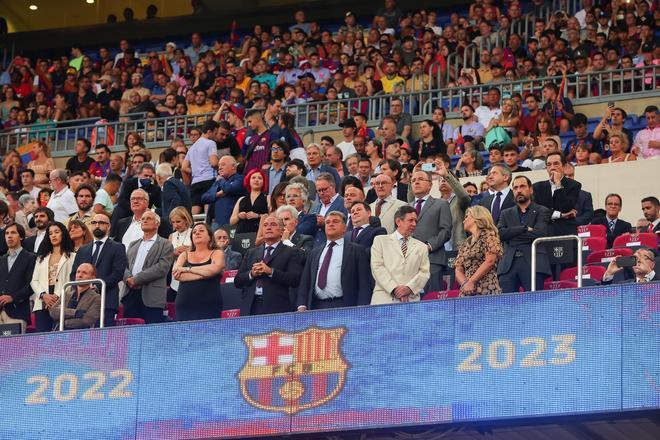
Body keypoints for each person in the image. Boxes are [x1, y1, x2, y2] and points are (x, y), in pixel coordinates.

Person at [297, 211, 371, 310]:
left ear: (345, 228)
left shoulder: (357, 250)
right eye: (327, 222)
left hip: (345, 306)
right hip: (316, 306)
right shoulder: (314, 253)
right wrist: (302, 305)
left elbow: (364, 283)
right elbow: (306, 281)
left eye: (335, 221)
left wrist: (363, 308)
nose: (331, 224)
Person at [234, 215, 302, 315]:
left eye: (273, 224)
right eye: (265, 225)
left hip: (277, 308)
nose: (268, 227)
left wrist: (271, 272)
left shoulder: (291, 252)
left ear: (282, 231)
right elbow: (237, 281)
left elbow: (295, 279)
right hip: (250, 307)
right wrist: (251, 274)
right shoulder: (251, 253)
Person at [71, 213, 127, 327]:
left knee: (103, 339)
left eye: (101, 223)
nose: (97, 225)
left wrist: (97, 285)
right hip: (83, 303)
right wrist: (83, 287)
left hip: (106, 301)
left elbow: (118, 273)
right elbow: (73, 274)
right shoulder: (83, 250)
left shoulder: (118, 247)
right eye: (94, 223)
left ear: (109, 226)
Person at [497, 175, 552, 293]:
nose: (519, 190)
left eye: (522, 186)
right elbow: (500, 234)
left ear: (531, 189)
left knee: (535, 304)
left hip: (533, 262)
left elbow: (539, 233)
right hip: (508, 265)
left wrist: (511, 235)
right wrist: (524, 229)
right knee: (506, 306)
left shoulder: (542, 210)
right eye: (515, 188)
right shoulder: (506, 213)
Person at [371, 205, 430, 304]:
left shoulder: (422, 247)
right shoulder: (380, 241)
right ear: (398, 221)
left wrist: (409, 288)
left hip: (411, 300)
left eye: (416, 221)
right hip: (384, 299)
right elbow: (377, 267)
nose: (414, 224)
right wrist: (394, 289)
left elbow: (424, 272)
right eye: (410, 220)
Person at [123, 211, 174, 324]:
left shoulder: (166, 244)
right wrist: (128, 278)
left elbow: (162, 267)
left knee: (151, 333)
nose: (144, 220)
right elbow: (124, 265)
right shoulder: (133, 244)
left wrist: (136, 279)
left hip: (152, 296)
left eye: (149, 218)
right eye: (143, 218)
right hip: (130, 293)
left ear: (157, 223)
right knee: (130, 331)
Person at [409, 170, 452, 291]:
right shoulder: (406, 207)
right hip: (409, 262)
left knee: (432, 302)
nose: (416, 182)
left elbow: (446, 231)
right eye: (413, 180)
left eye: (420, 179)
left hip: (432, 259)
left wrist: (429, 246)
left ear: (430, 184)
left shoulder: (441, 204)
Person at [30, 222, 76, 332]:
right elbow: (34, 281)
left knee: (61, 336)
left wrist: (57, 296)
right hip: (42, 302)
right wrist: (44, 295)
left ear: (63, 234)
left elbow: (72, 280)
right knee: (43, 336)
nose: (53, 236)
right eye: (50, 233)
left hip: (63, 299)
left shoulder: (73, 256)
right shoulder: (41, 258)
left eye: (56, 232)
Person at [172, 222, 224, 321]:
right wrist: (205, 273)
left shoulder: (217, 253)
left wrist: (187, 269)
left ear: (210, 237)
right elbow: (177, 275)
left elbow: (214, 269)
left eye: (201, 230)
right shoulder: (184, 255)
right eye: (194, 232)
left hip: (209, 304)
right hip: (185, 305)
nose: (197, 233)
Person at [454, 206, 503, 296]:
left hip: (487, 288)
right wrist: (465, 284)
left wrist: (472, 281)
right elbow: (458, 268)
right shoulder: (465, 243)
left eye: (466, 217)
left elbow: (490, 261)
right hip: (467, 291)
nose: (463, 220)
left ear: (477, 218)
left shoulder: (489, 235)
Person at [532, 152, 582, 236]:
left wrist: (558, 184)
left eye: (556, 164)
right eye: (549, 165)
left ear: (564, 166)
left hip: (566, 232)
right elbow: (537, 212)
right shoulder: (537, 187)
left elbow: (565, 207)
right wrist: (560, 215)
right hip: (544, 233)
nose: (552, 168)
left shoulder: (574, 185)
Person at [0, 224, 36, 333]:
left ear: (21, 237)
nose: (9, 236)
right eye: (7, 233)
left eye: (13, 233)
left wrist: (12, 297)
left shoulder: (31, 257)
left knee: (14, 348)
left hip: (17, 311)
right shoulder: (1, 260)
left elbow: (32, 285)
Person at [181, 120, 219, 214]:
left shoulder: (192, 147)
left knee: (195, 212)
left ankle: (192, 228)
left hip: (195, 182)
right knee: (207, 211)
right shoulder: (210, 143)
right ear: (209, 131)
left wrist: (196, 170)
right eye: (215, 133)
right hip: (209, 179)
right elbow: (214, 163)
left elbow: (184, 167)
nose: (216, 135)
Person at [49, 263, 102, 330]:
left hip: (80, 335)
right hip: (59, 334)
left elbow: (88, 320)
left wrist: (63, 322)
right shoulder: (66, 294)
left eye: (84, 273)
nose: (79, 275)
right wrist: (75, 313)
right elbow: (53, 312)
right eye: (78, 272)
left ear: (93, 278)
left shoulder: (96, 298)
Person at [434, 157, 471, 249]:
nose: (442, 181)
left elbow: (465, 196)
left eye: (445, 179)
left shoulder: (459, 200)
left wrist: (446, 174)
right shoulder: (434, 204)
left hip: (457, 247)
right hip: (439, 249)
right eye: (440, 179)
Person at [202, 156, 246, 230]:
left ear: (233, 167)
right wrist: (217, 195)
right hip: (215, 224)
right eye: (219, 165)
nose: (219, 168)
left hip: (231, 223)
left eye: (223, 164)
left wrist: (221, 180)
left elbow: (228, 189)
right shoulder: (218, 182)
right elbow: (204, 198)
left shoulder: (240, 179)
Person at [309, 173, 347, 246]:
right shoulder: (316, 207)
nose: (321, 193)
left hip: (336, 247)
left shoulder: (344, 203)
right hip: (317, 249)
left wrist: (325, 223)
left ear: (333, 186)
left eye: (324, 189)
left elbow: (347, 227)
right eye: (319, 191)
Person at [230, 169, 269, 234]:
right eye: (253, 178)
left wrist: (258, 216)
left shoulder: (268, 198)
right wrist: (239, 216)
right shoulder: (241, 199)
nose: (256, 180)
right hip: (242, 234)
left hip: (259, 233)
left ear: (263, 182)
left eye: (259, 178)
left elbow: (272, 217)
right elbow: (231, 221)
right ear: (249, 181)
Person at [156, 163, 192, 228]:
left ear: (158, 177)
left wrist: (168, 220)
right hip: (185, 220)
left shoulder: (168, 184)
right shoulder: (178, 182)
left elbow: (175, 200)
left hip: (178, 224)